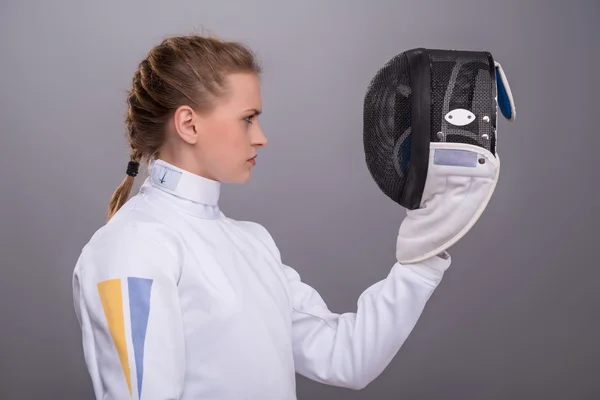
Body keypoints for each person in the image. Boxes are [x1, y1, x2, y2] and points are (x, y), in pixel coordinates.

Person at [72, 34, 451, 400]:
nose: (261, 137)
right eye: (248, 118)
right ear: (189, 124)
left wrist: (425, 250)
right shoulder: (134, 245)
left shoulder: (253, 243)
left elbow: (346, 358)